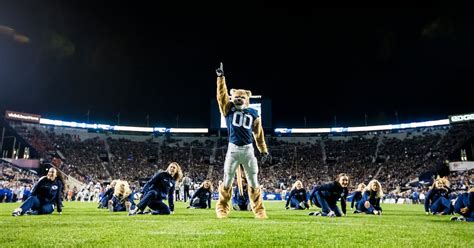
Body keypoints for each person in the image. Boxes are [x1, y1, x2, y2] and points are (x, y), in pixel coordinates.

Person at [214, 62, 270, 219]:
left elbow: (258, 134)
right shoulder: (228, 108)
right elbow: (221, 96)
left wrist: (264, 150)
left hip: (248, 150)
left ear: (247, 99)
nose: (238, 99)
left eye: (241, 97)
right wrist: (220, 78)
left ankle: (259, 209)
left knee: (253, 181)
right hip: (233, 150)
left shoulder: (253, 113)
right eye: (236, 97)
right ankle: (222, 208)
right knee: (227, 179)